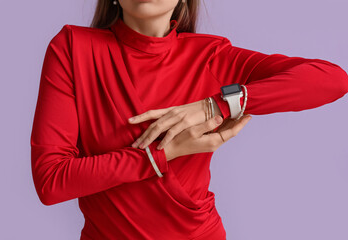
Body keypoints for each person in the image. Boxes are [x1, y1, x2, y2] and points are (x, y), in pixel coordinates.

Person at [30, 0, 348, 239]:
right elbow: (52, 180)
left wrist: (216, 105)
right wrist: (161, 155)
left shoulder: (211, 56)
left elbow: (332, 79)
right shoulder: (73, 49)